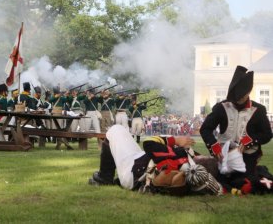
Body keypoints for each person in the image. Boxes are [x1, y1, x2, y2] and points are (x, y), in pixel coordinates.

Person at [89, 125, 223, 196]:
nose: (201, 155)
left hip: (133, 171)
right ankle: (105, 176)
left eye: (203, 158)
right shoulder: (191, 169)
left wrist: (175, 140)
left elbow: (148, 143)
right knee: (120, 132)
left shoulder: (182, 161)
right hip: (142, 161)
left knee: (115, 130)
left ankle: (104, 177)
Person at [200, 65, 273, 194]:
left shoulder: (259, 110)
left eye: (240, 97)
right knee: (218, 181)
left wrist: (250, 141)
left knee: (242, 182)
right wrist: (214, 146)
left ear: (248, 93)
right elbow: (205, 129)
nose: (237, 101)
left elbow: (267, 134)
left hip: (247, 155)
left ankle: (259, 172)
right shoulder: (221, 107)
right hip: (224, 155)